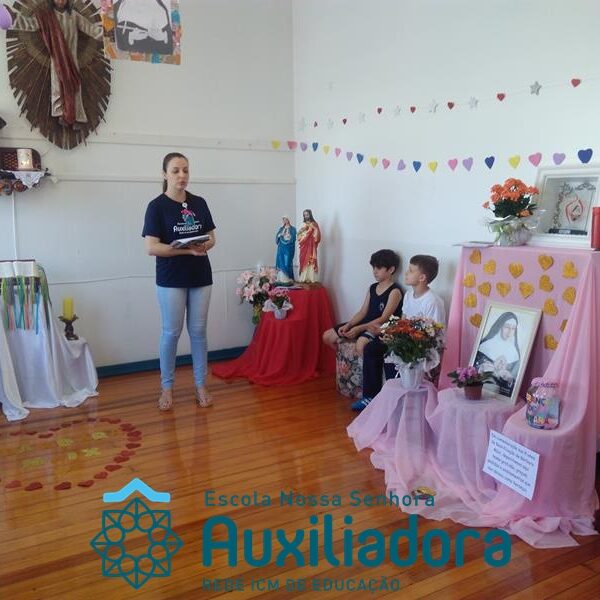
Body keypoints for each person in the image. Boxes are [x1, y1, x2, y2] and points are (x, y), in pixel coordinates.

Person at [142, 152, 216, 411]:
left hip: (200, 276)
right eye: (175, 171)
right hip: (171, 279)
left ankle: (201, 385)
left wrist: (204, 245)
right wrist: (186, 251)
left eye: (185, 170)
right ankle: (167, 387)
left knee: (198, 332)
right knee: (171, 333)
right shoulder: (156, 207)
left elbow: (212, 237)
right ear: (165, 174)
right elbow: (151, 247)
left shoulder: (199, 202)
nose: (182, 175)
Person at [353, 254, 445, 411]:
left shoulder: (433, 301)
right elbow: (402, 322)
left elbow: (435, 333)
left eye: (411, 271)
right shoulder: (409, 295)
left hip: (421, 346)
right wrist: (384, 330)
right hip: (405, 341)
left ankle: (395, 401)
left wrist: (401, 340)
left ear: (422, 277)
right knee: (372, 348)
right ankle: (370, 397)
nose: (406, 273)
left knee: (394, 354)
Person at [322, 250, 403, 408]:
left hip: (379, 327)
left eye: (379, 268)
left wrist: (359, 329)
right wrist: (349, 325)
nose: (375, 271)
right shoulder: (373, 287)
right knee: (327, 336)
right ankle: (348, 366)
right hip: (365, 323)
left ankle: (368, 385)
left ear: (391, 269)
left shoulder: (395, 291)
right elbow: (362, 312)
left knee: (361, 344)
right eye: (373, 268)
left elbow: (383, 319)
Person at [7, 0, 103, 127]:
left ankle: (77, 117)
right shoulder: (46, 16)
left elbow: (91, 29)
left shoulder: (74, 15)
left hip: (72, 60)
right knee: (57, 86)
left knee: (75, 87)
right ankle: (60, 114)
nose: (61, 1)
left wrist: (107, 34)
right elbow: (30, 24)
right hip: (57, 59)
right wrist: (13, 18)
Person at [474, 312, 520, 397]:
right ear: (500, 326)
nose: (510, 332)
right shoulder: (485, 346)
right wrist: (481, 368)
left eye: (513, 328)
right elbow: (472, 373)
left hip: (501, 396)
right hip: (480, 391)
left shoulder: (515, 353)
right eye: (507, 327)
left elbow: (514, 383)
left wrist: (509, 378)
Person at [297, 209, 321, 283]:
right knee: (303, 260)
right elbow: (298, 234)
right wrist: (303, 232)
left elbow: (317, 236)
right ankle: (303, 278)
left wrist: (313, 229)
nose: (306, 216)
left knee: (310, 260)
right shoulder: (303, 224)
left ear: (310, 215)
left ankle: (311, 278)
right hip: (304, 245)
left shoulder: (314, 224)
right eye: (304, 215)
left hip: (311, 245)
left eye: (307, 214)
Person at [275, 216, 296, 282]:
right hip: (281, 247)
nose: (285, 221)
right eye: (283, 220)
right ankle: (281, 278)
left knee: (287, 262)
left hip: (288, 247)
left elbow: (293, 238)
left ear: (289, 220)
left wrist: (289, 238)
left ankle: (288, 278)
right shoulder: (281, 228)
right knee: (281, 261)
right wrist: (280, 235)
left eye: (286, 219)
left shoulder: (293, 229)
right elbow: (277, 237)